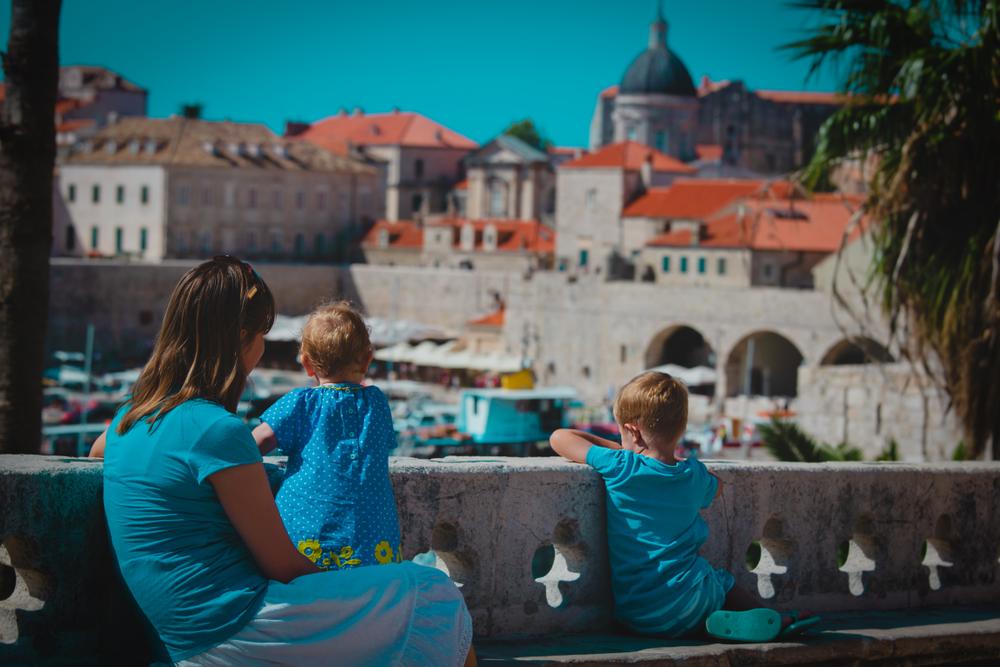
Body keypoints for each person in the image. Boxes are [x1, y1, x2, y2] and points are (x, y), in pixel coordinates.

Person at [89, 257, 474, 666]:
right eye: (262, 335)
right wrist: (357, 590)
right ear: (242, 338)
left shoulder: (129, 419)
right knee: (434, 592)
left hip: (176, 637)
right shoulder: (216, 432)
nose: (262, 348)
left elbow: (98, 453)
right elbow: (284, 566)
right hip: (235, 629)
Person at [549, 371, 815, 642]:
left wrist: (617, 448)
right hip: (692, 600)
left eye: (622, 432)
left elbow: (559, 438)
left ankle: (714, 622)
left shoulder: (620, 466)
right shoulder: (693, 475)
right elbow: (718, 487)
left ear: (633, 432)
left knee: (701, 586)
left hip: (636, 614)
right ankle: (766, 617)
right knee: (721, 581)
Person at [252, 301, 401, 570]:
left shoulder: (301, 402)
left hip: (304, 538)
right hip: (372, 544)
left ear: (307, 364)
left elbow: (253, 444)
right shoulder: (377, 403)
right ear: (368, 359)